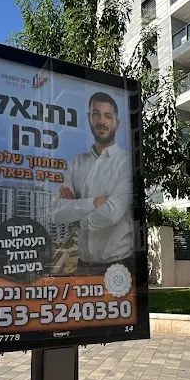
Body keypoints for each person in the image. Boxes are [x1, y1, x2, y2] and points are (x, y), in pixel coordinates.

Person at [51, 91, 134, 276]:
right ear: (89, 118)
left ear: (117, 123)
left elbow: (111, 214)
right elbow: (56, 212)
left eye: (108, 116)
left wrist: (76, 214)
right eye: (96, 114)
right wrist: (94, 202)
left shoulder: (126, 163)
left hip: (118, 267)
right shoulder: (75, 163)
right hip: (83, 267)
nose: (101, 121)